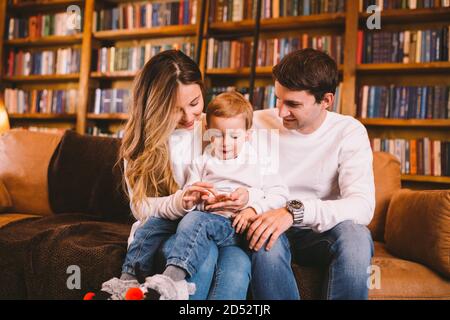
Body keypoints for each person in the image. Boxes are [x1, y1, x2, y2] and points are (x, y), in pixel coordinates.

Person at [212, 48, 376, 300]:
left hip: (320, 231)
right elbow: (202, 128)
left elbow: (362, 206)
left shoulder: (348, 132)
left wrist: (293, 212)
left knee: (357, 237)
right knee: (265, 242)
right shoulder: (253, 123)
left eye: (293, 104)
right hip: (268, 225)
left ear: (326, 101)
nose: (281, 112)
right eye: (278, 99)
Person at [92, 50, 252, 300]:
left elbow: (255, 131)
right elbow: (140, 207)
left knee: (239, 266)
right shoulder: (141, 144)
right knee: (204, 256)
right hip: (166, 233)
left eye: (194, 103)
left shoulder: (218, 128)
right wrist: (179, 202)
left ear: (203, 91)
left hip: (217, 227)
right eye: (175, 109)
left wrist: (246, 201)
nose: (189, 117)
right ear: (155, 106)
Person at [133, 91, 290, 299]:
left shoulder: (258, 161)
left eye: (234, 136)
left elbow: (280, 193)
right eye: (217, 135)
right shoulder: (202, 162)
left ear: (248, 135)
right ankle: (146, 277)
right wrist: (201, 201)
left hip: (237, 229)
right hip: (208, 228)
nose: (225, 143)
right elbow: (190, 195)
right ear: (207, 131)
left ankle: (171, 279)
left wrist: (251, 204)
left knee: (200, 224)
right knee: (232, 268)